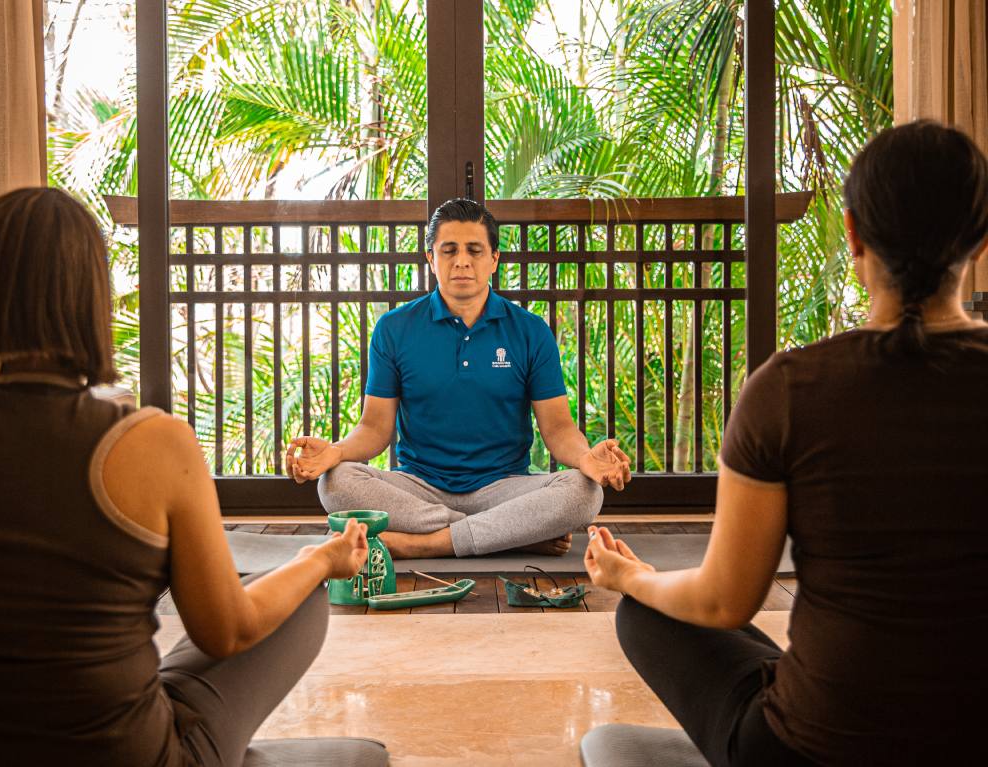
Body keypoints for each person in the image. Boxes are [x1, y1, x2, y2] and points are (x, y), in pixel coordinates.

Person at [584, 120, 988, 766]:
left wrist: (633, 577)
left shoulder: (789, 389)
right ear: (980, 238)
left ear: (853, 234)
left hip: (809, 750)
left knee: (646, 610)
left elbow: (725, 598)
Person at [0, 188, 370, 766]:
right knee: (299, 592)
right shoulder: (150, 443)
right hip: (132, 757)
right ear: (90, 298)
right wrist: (320, 560)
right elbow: (226, 632)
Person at [287, 198, 631, 559]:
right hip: (419, 487)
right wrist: (335, 452)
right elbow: (375, 429)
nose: (462, 261)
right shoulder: (394, 328)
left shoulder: (531, 331)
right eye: (448, 250)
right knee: (336, 482)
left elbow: (559, 430)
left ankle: (427, 544)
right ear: (430, 258)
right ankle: (507, 534)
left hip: (504, 487)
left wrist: (586, 459)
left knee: (584, 491)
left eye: (475, 250)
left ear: (494, 259)